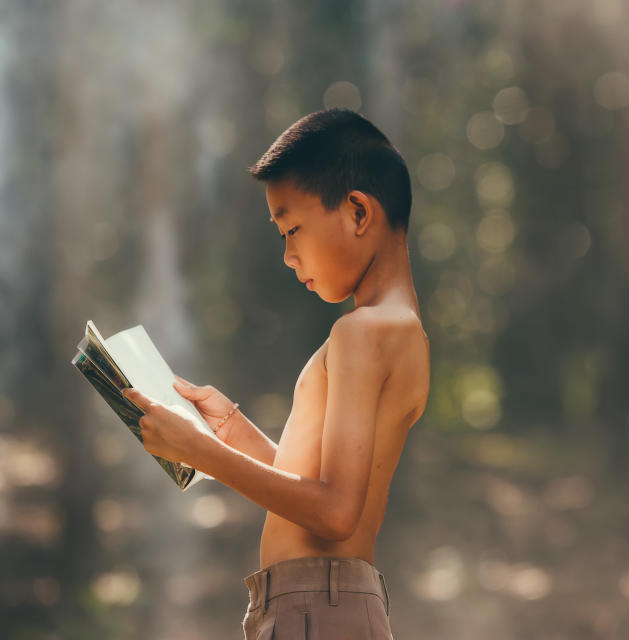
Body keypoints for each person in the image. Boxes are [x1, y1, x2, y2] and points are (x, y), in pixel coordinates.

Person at [121, 108, 430, 639]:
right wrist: (232, 434)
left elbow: (335, 514)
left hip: (318, 607)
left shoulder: (363, 332)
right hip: (324, 604)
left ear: (358, 212)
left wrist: (199, 453)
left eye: (292, 229)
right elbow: (322, 495)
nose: (288, 255)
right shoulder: (397, 330)